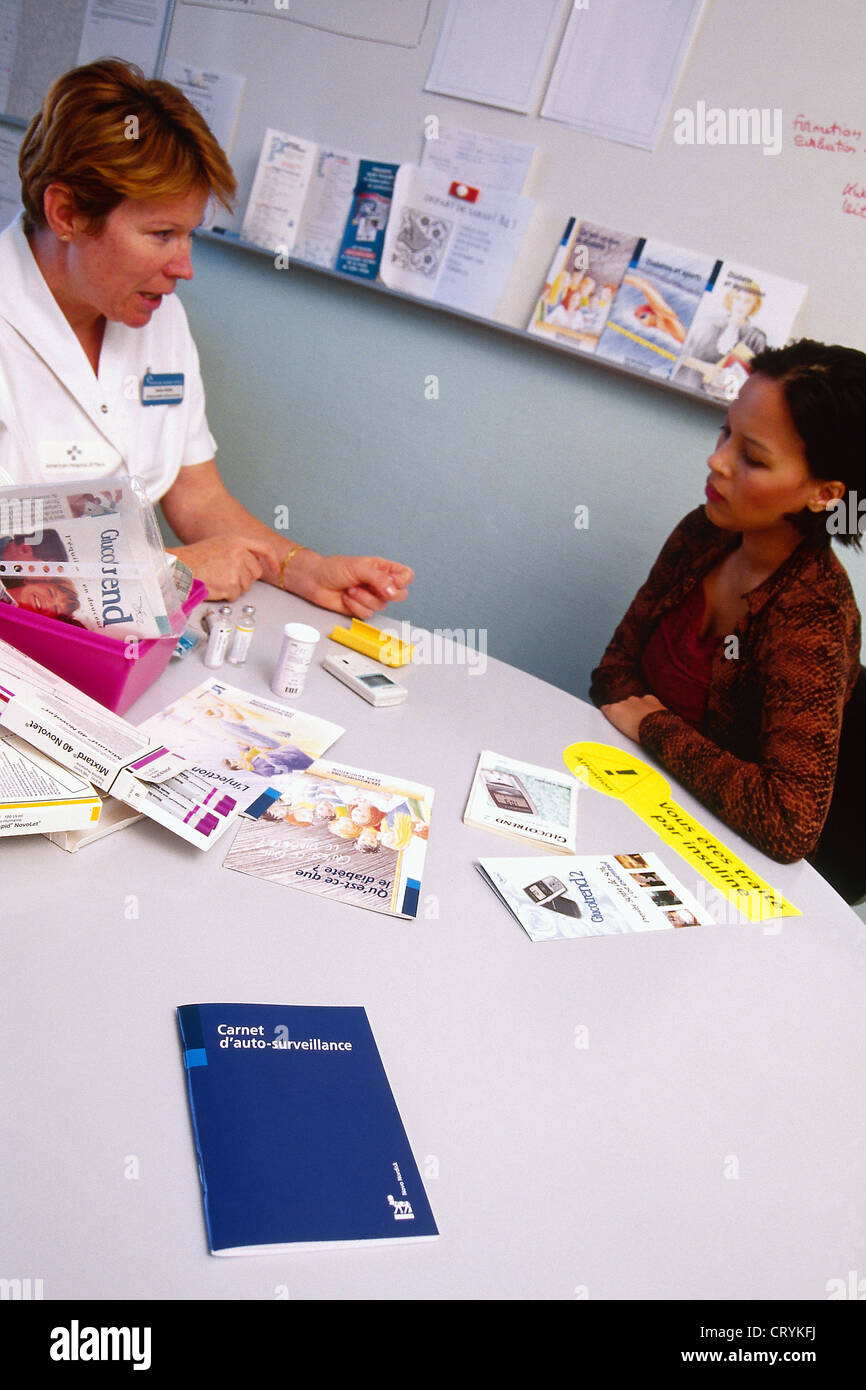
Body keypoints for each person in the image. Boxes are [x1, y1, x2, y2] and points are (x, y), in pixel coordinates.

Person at [0, 59, 413, 615]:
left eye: (190, 233)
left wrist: (303, 569)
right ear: (67, 213)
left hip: (125, 638)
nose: (185, 267)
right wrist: (172, 569)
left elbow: (198, 495)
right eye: (162, 234)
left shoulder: (155, 315)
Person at [590, 339, 864, 864]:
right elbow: (612, 674)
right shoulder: (704, 532)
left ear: (826, 495)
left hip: (712, 859)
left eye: (753, 458)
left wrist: (652, 725)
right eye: (725, 432)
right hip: (628, 798)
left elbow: (789, 823)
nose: (716, 461)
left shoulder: (816, 617)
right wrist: (642, 726)